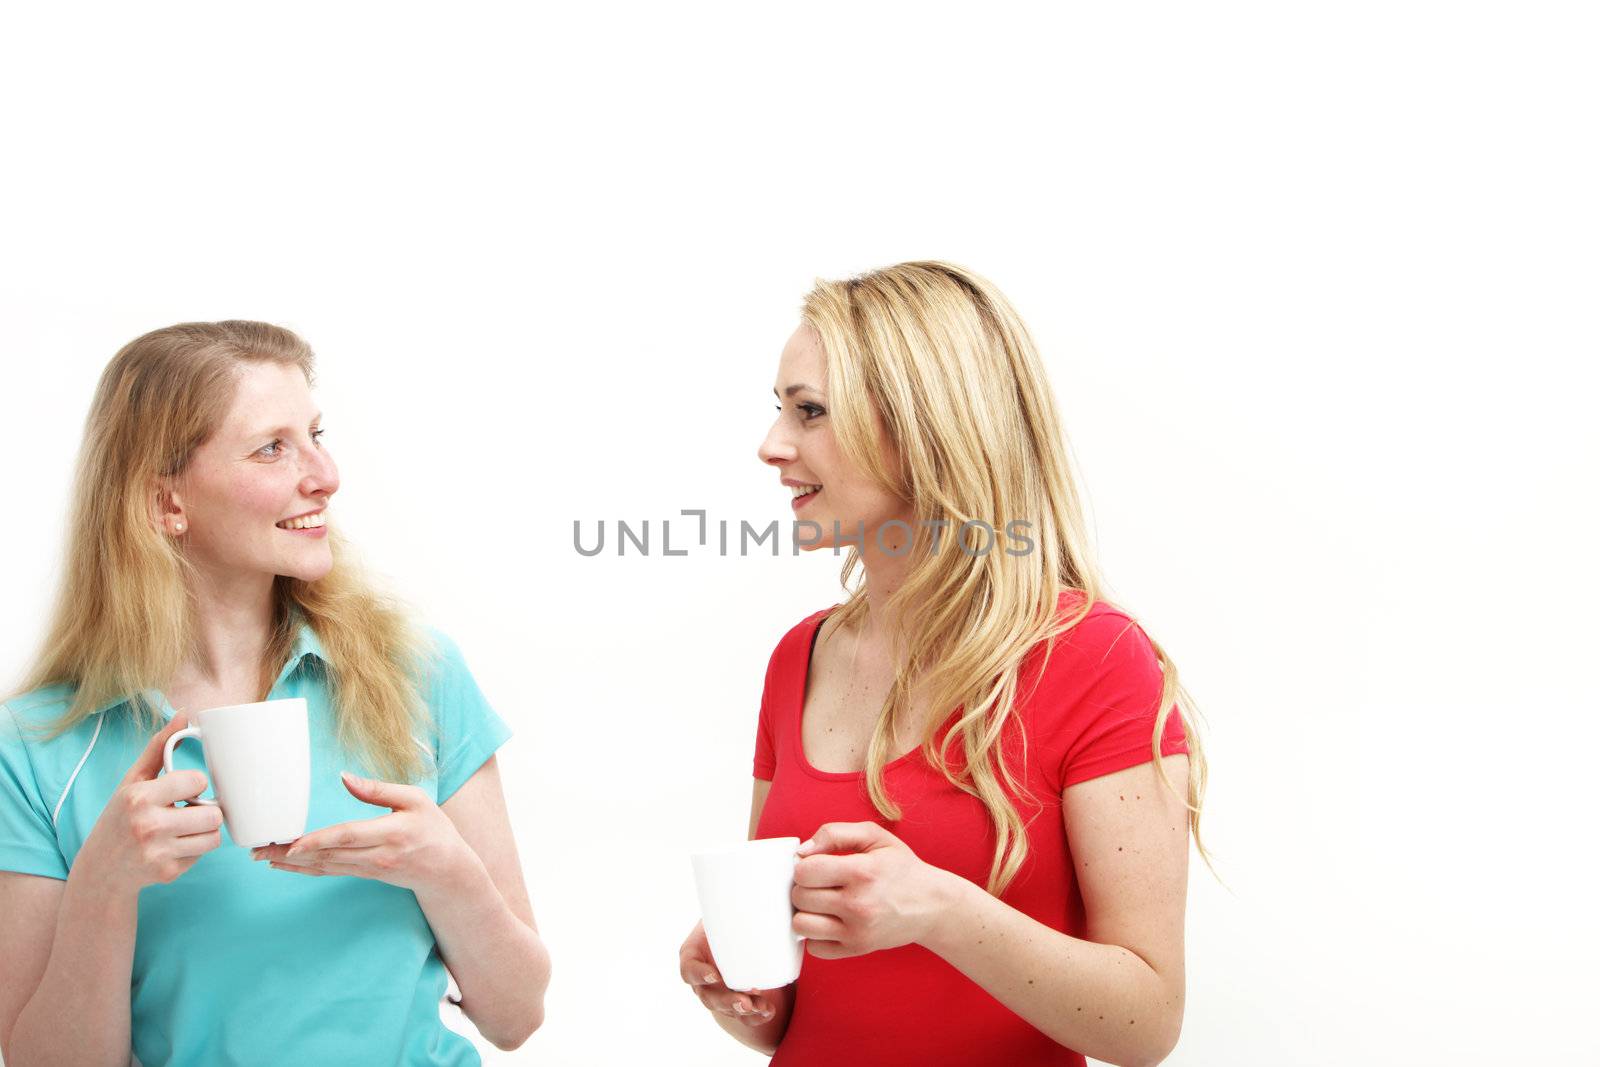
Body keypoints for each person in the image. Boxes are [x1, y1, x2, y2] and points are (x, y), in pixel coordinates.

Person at [678, 262, 1216, 1066]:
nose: (771, 445)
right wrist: (742, 997)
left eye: (811, 411)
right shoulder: (800, 656)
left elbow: (1145, 1026)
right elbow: (797, 1013)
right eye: (780, 409)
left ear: (925, 430)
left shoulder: (1097, 659)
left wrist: (939, 909)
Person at [0, 321, 550, 1066]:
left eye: (316, 434)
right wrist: (104, 885)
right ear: (167, 503)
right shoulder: (36, 745)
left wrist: (444, 869)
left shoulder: (419, 674)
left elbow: (518, 1014)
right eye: (273, 447)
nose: (325, 473)